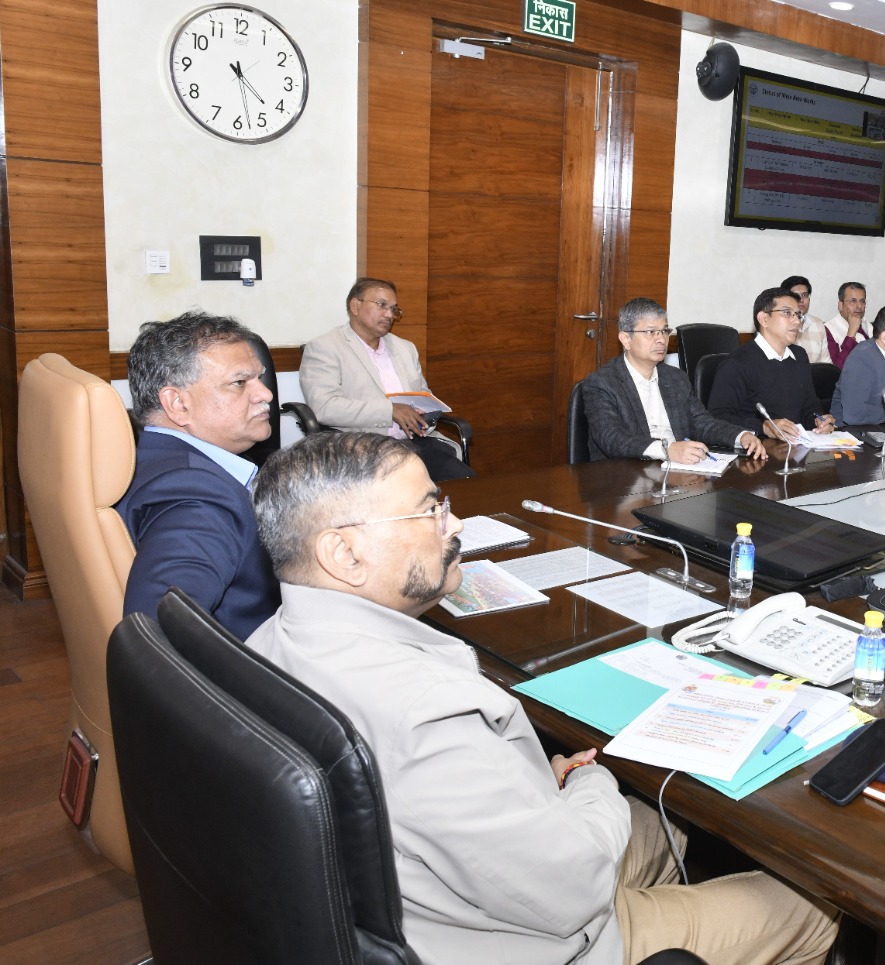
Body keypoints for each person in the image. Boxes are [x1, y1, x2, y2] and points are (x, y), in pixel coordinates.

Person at [246, 432, 838, 965]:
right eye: (430, 510)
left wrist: (532, 787)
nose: (455, 524)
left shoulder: (264, 644)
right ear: (344, 554)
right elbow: (573, 889)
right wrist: (588, 782)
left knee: (672, 822)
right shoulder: (423, 716)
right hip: (546, 939)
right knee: (814, 909)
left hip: (439, 900)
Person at [117, 311, 280, 640]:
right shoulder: (198, 501)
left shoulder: (147, 458)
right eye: (239, 382)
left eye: (259, 379)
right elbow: (158, 636)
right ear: (177, 404)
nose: (266, 395)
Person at [300, 277, 475, 482]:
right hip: (364, 446)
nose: (390, 314)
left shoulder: (405, 348)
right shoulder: (325, 347)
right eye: (382, 305)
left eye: (393, 309)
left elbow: (422, 393)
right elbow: (325, 407)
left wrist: (426, 413)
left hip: (415, 442)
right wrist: (390, 410)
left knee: (466, 483)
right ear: (355, 306)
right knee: (408, 489)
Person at [579, 297, 764, 463]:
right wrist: (666, 449)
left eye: (664, 331)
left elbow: (702, 422)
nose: (661, 339)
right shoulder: (601, 383)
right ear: (626, 339)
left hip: (677, 471)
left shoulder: (675, 378)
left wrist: (741, 436)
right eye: (651, 332)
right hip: (625, 475)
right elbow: (612, 438)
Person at [709, 287, 834, 443]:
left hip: (797, 447)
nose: (797, 321)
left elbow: (809, 406)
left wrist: (818, 420)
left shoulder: (799, 356)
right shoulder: (737, 363)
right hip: (757, 449)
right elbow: (718, 418)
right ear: (764, 319)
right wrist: (764, 427)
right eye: (787, 313)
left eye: (798, 314)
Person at [781, 274, 829, 365]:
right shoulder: (778, 324)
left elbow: (825, 364)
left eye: (804, 295)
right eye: (795, 295)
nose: (801, 300)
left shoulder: (818, 324)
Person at [825, 282, 869, 367]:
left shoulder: (868, 326)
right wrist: (851, 334)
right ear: (840, 305)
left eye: (862, 301)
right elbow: (837, 369)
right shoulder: (828, 330)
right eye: (853, 301)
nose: (859, 306)